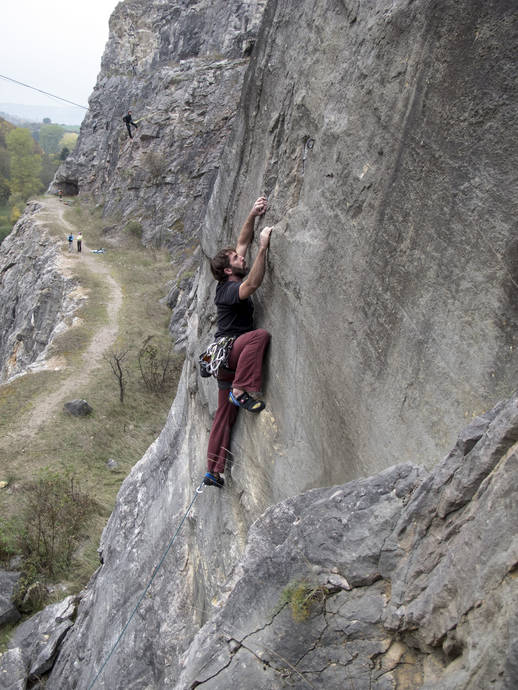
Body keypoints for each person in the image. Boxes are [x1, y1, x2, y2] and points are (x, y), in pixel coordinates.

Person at [203, 196, 273, 488]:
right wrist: (265, 248)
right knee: (260, 336)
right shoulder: (230, 290)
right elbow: (253, 284)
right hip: (232, 354)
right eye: (236, 259)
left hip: (224, 360)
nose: (241, 256)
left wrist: (252, 213)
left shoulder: (227, 278)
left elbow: (242, 241)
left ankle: (213, 471)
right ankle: (241, 390)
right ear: (229, 270)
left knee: (223, 416)